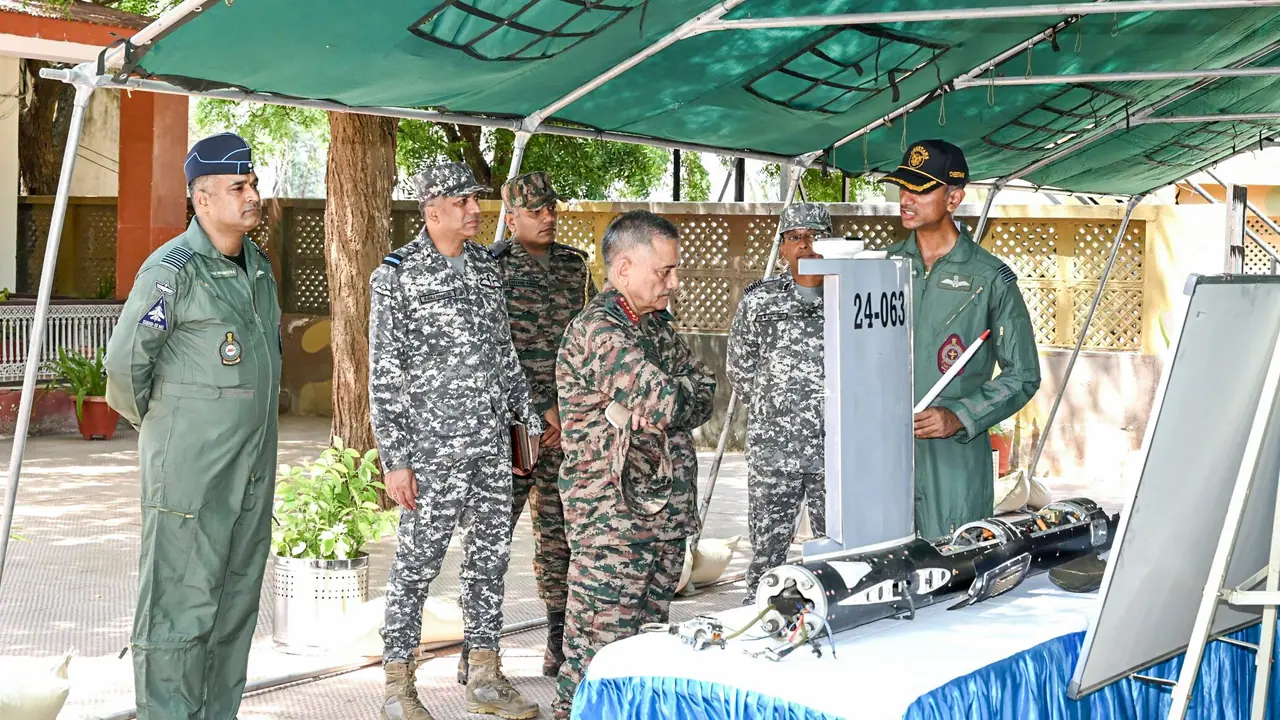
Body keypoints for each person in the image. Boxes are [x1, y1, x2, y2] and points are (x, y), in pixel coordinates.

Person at [103, 132, 282, 719]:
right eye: (239, 186)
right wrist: (170, 434)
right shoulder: (173, 271)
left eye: (252, 183)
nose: (252, 194)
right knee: (177, 608)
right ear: (202, 199)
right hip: (189, 477)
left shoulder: (257, 269)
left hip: (249, 474)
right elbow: (126, 366)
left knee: (233, 609)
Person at [369, 161, 544, 720]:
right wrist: (396, 460)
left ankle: (486, 679)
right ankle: (398, 685)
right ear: (432, 207)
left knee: (490, 561)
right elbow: (384, 373)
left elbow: (505, 356)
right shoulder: (395, 276)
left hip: (491, 447)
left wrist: (526, 430)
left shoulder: (486, 271)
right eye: (464, 200)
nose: (475, 209)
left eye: (476, 199)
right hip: (431, 451)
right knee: (417, 564)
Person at [551, 210, 717, 719]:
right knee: (596, 656)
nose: (674, 282)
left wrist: (664, 404)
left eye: (674, 270)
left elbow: (705, 390)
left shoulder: (656, 326)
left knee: (644, 655)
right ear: (623, 269)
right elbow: (670, 401)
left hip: (660, 516)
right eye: (664, 271)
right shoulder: (599, 332)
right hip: (612, 523)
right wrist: (666, 403)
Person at [458, 171, 597, 682]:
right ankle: (477, 650)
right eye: (535, 210)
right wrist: (538, 410)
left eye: (551, 209)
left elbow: (594, 342)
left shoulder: (576, 268)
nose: (547, 217)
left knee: (562, 540)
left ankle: (558, 645)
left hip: (567, 430)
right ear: (510, 217)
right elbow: (490, 352)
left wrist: (569, 409)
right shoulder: (490, 269)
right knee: (492, 537)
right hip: (512, 429)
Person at [880, 139, 1042, 541]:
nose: (907, 199)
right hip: (882, 454)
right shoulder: (881, 270)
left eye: (921, 189)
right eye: (904, 187)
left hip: (953, 456)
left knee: (951, 569)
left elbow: (1023, 374)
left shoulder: (990, 278)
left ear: (954, 198)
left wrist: (960, 416)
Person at [726, 202, 831, 604]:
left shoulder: (852, 298)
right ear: (783, 247)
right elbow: (740, 366)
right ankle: (755, 622)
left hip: (833, 454)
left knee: (836, 554)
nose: (806, 245)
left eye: (815, 237)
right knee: (767, 557)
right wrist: (777, 411)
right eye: (796, 238)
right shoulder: (760, 301)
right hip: (775, 453)